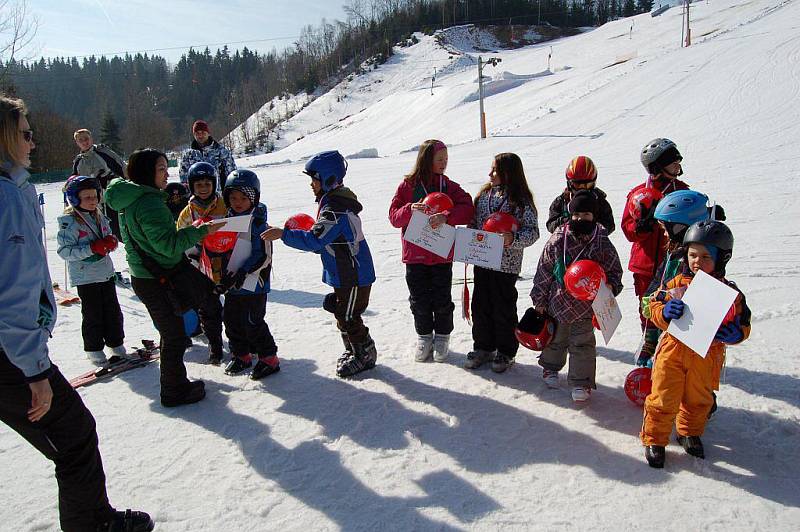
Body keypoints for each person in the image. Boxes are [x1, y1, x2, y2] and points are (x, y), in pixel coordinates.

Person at [0, 95, 153, 531]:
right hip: (11, 354)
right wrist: (34, 371)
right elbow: (11, 293)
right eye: (27, 134)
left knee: (73, 435)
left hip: (13, 348)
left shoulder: (15, 189)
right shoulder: (7, 198)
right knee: (74, 435)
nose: (33, 143)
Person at [105, 148, 225, 407]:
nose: (166, 173)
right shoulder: (149, 203)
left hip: (144, 275)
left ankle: (176, 383)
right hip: (157, 277)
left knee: (171, 331)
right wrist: (200, 231)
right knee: (173, 335)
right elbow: (169, 246)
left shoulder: (129, 198)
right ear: (147, 172)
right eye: (161, 168)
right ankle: (174, 390)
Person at [641, 220, 750, 468]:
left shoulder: (730, 294)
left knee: (698, 399)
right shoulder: (676, 284)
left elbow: (744, 322)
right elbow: (651, 305)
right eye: (692, 255)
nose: (697, 261)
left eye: (705, 256)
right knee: (664, 396)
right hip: (673, 351)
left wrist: (737, 334)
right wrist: (665, 311)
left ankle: (689, 433)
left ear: (722, 258)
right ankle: (655, 438)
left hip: (706, 356)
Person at [262, 150, 377, 378]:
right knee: (341, 312)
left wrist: (283, 234)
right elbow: (325, 239)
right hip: (344, 272)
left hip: (354, 275)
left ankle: (364, 354)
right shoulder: (332, 204)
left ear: (328, 179)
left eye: (314, 179)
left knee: (348, 315)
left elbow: (315, 240)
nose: (311, 184)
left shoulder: (335, 209)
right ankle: (354, 350)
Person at [530, 190, 623, 403]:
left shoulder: (602, 243)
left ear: (594, 216)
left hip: (586, 306)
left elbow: (614, 270)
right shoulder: (558, 240)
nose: (580, 219)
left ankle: (581, 381)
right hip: (558, 302)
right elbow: (544, 270)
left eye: (586, 215)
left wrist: (611, 286)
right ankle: (550, 367)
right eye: (576, 215)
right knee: (555, 339)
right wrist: (540, 300)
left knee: (583, 345)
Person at [388, 139, 474, 362]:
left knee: (442, 299)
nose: (444, 163)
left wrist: (447, 217)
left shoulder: (449, 186)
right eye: (440, 159)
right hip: (414, 256)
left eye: (446, 159)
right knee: (419, 299)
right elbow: (394, 217)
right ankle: (424, 336)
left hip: (441, 255)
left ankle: (443, 337)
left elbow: (467, 208)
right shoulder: (407, 186)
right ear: (427, 160)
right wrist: (409, 209)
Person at [464, 153, 539, 373]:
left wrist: (512, 239)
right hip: (482, 260)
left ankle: (506, 351)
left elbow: (532, 232)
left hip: (506, 265)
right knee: (480, 305)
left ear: (509, 172)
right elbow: (474, 223)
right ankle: (483, 347)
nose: (490, 174)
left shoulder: (521, 201)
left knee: (503, 307)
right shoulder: (484, 195)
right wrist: (468, 238)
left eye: (495, 170)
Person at [635, 190, 715, 368]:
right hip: (662, 328)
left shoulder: (694, 264)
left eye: (665, 229)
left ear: (681, 228)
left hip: (682, 341)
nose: (664, 234)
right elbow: (660, 282)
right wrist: (650, 299)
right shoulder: (674, 253)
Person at [622, 139, 689, 339]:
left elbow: (693, 222)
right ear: (658, 165)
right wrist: (642, 226)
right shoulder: (638, 194)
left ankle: (672, 350)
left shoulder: (682, 192)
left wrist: (708, 214)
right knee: (648, 310)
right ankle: (649, 351)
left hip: (674, 264)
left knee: (674, 308)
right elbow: (628, 230)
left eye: (678, 159)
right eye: (672, 160)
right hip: (645, 265)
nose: (678, 163)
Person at [216, 169, 280, 380]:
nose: (238, 202)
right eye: (233, 198)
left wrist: (244, 271)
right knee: (231, 319)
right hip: (233, 283)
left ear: (254, 198)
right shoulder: (227, 220)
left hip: (254, 283)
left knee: (253, 322)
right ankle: (241, 354)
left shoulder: (259, 223)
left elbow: (263, 255)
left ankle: (269, 357)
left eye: (244, 198)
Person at [57, 175, 126, 366]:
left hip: (105, 273)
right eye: (87, 197)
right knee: (93, 315)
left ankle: (116, 344)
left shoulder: (98, 214)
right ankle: (94, 349)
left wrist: (111, 241)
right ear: (75, 198)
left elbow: (106, 235)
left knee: (113, 312)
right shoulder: (69, 222)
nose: (92, 200)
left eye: (95, 196)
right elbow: (64, 252)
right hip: (86, 277)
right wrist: (92, 248)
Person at [176, 162, 227, 364]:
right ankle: (215, 345)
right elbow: (179, 238)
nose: (204, 189)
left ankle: (242, 342)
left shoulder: (224, 205)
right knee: (208, 307)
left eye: (207, 184)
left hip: (224, 261)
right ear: (192, 187)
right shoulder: (187, 212)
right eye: (199, 185)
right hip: (199, 265)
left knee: (232, 307)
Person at [72, 129, 126, 240]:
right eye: (80, 140)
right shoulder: (78, 161)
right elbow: (75, 181)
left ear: (91, 139)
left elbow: (120, 165)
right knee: (100, 229)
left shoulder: (102, 152)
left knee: (119, 226)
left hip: (112, 193)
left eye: (86, 139)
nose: (84, 142)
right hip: (93, 200)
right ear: (77, 143)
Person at [545, 155, 614, 234]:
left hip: (594, 243)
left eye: (587, 185)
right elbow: (551, 225)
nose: (582, 189)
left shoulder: (599, 200)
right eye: (577, 185)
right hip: (566, 243)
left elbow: (610, 225)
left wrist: (590, 224)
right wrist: (569, 221)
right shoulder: (562, 201)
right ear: (570, 184)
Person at [178, 120, 236, 190]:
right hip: (196, 196)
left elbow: (232, 174)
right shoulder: (188, 155)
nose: (200, 135)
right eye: (197, 133)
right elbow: (183, 178)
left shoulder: (221, 152)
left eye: (203, 132)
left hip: (218, 196)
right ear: (194, 135)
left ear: (208, 133)